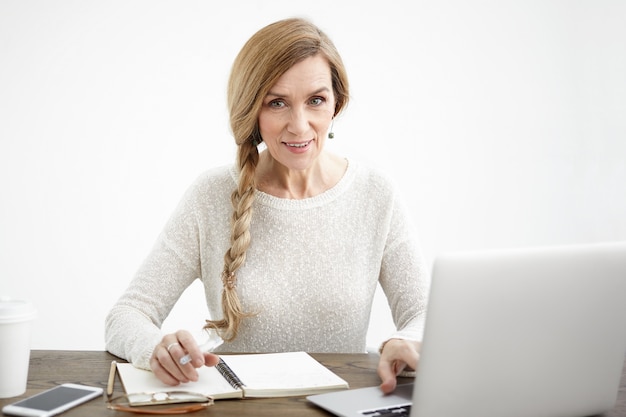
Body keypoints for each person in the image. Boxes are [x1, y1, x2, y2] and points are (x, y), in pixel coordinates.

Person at [105, 17, 428, 395]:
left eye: (316, 100)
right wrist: (155, 348)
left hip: (342, 405)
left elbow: (424, 315)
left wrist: (403, 342)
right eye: (277, 103)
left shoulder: (375, 194)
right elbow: (126, 316)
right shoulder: (211, 195)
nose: (299, 125)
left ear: (336, 104)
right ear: (253, 111)